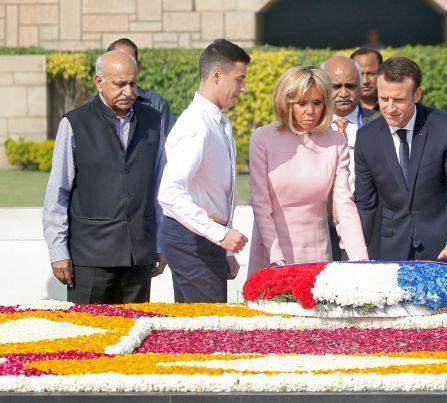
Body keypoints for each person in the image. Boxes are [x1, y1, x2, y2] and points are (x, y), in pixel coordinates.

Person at [42, 50, 165, 304]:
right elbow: (58, 192)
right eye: (120, 84)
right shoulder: (75, 123)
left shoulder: (153, 120)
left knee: (137, 337)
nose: (129, 91)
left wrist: (160, 243)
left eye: (133, 83)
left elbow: (159, 189)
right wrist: (57, 251)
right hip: (89, 261)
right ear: (99, 82)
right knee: (87, 338)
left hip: (138, 259)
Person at [354, 56, 447, 272]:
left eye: (399, 100)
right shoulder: (366, 138)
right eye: (383, 98)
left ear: (417, 94)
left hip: (446, 250)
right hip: (392, 252)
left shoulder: (446, 128)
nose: (390, 108)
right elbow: (366, 204)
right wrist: (356, 255)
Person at [247, 66, 368, 275]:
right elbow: (260, 203)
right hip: (269, 251)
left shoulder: (336, 141)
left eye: (317, 102)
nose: (310, 111)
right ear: (286, 103)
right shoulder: (263, 138)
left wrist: (361, 261)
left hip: (316, 253)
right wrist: (276, 259)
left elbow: (344, 204)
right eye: (302, 103)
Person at [157, 39, 250, 303]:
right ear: (217, 75)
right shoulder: (197, 124)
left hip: (206, 237)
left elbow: (220, 191)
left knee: (206, 328)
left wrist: (226, 248)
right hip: (191, 239)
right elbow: (170, 193)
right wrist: (220, 234)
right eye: (239, 79)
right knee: (206, 331)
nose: (243, 89)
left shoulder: (217, 119)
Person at [321, 55, 381, 260]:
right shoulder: (309, 125)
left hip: (368, 227)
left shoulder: (380, 123)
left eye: (351, 86)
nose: (344, 93)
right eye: (336, 86)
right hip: (320, 230)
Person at [107, 38, 176, 135]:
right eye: (118, 62)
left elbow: (170, 147)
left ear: (138, 67)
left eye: (130, 62)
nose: (124, 67)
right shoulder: (89, 111)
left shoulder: (157, 105)